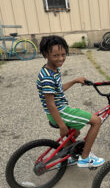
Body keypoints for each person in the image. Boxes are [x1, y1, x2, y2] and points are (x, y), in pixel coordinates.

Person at [36, 35, 104, 168]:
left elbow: (58, 90)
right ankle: (85, 158)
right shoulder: (47, 77)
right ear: (46, 54)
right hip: (60, 111)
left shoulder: (52, 69)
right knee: (96, 121)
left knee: (75, 132)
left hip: (60, 110)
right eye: (56, 55)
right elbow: (50, 104)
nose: (61, 58)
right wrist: (61, 125)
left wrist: (74, 81)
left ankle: (69, 157)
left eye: (63, 54)